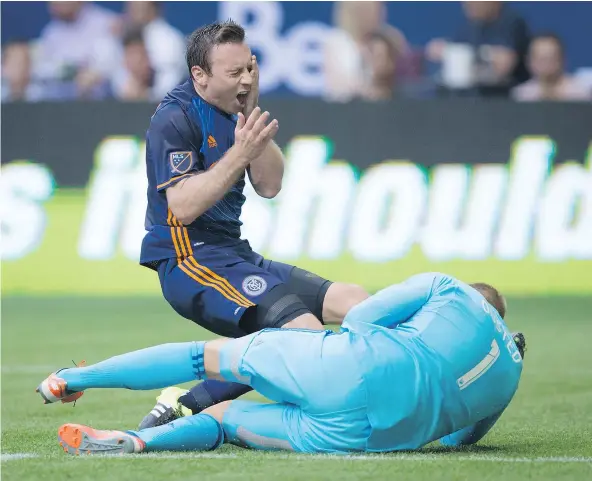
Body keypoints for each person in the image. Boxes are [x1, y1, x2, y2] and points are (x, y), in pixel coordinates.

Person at [135, 20, 369, 430]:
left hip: (234, 255)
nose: (245, 79)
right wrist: (240, 153)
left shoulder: (236, 111)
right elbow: (184, 206)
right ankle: (194, 402)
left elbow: (270, 184)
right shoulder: (174, 118)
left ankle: (187, 401)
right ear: (200, 76)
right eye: (234, 73)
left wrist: (249, 117)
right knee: (303, 333)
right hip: (188, 259)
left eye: (249, 68)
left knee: (357, 303)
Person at [37, 273, 526, 455]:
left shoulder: (447, 288)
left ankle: (72, 378)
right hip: (366, 438)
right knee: (223, 421)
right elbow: (460, 439)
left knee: (205, 357)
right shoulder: (512, 372)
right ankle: (140, 443)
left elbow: (360, 317)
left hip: (348, 366)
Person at [512, 34, 592, 102]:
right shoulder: (521, 95)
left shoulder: (580, 94)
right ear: (528, 61)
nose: (545, 64)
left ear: (562, 59)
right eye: (540, 59)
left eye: (550, 58)